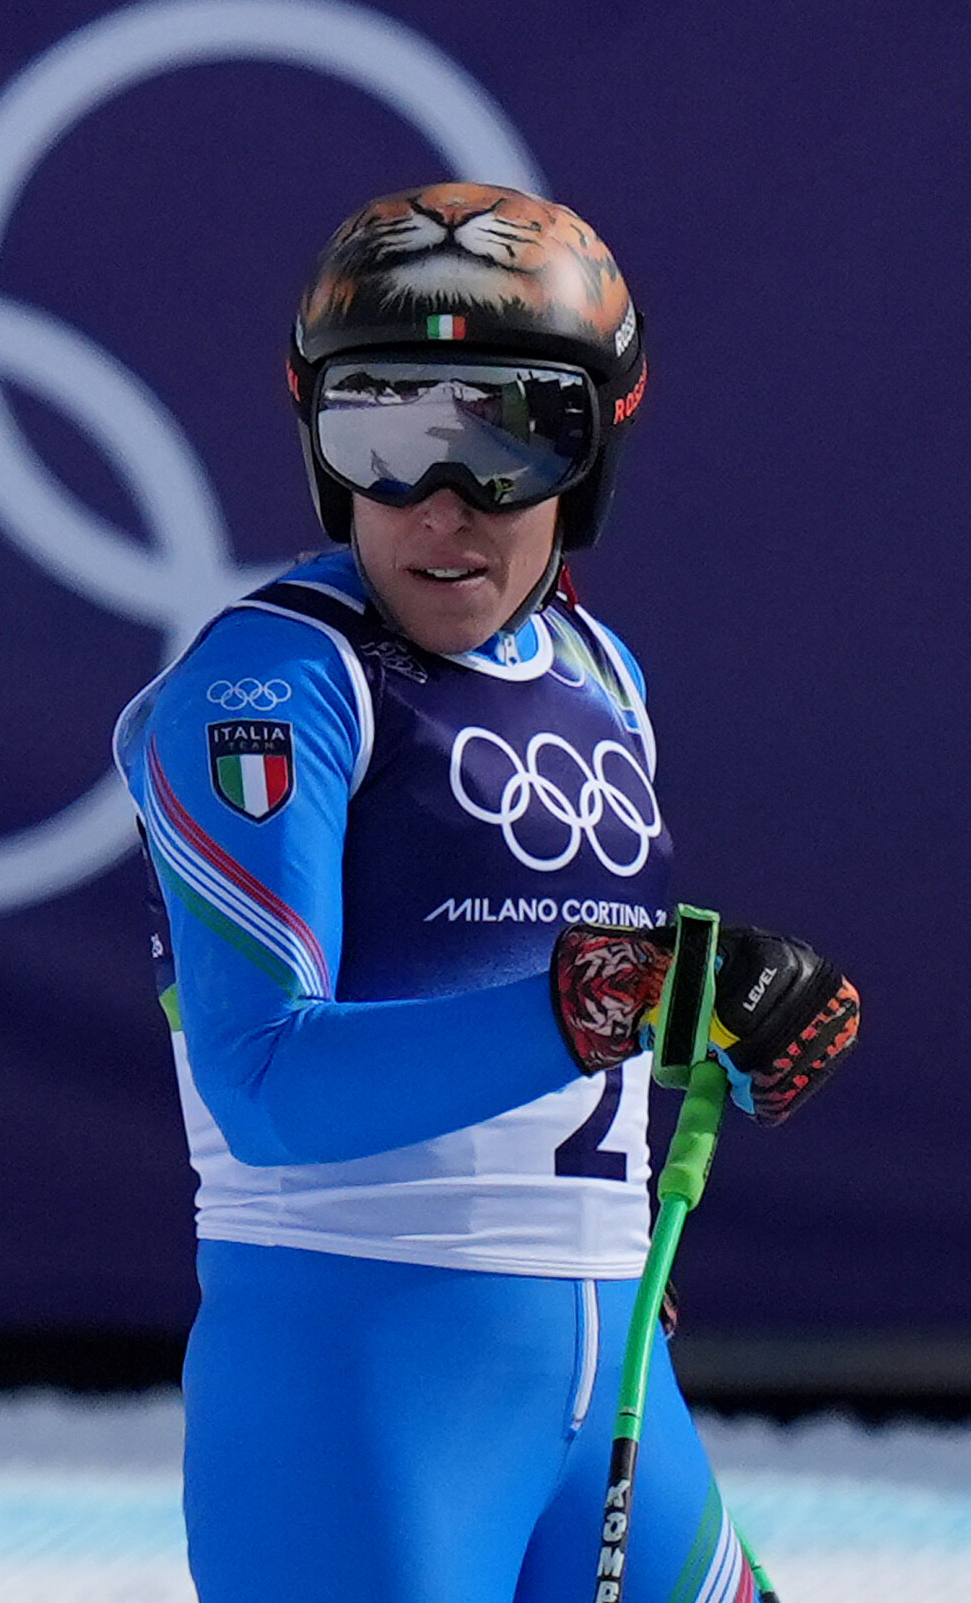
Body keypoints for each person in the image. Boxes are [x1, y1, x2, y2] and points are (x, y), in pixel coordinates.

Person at [113, 182, 860, 1603]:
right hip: (364, 1400)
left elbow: (581, 1019)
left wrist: (734, 1033)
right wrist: (620, 999)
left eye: (513, 437)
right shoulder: (272, 689)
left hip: (606, 1377)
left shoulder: (601, 677)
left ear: (595, 456)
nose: (443, 507)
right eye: (385, 434)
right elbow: (270, 1084)